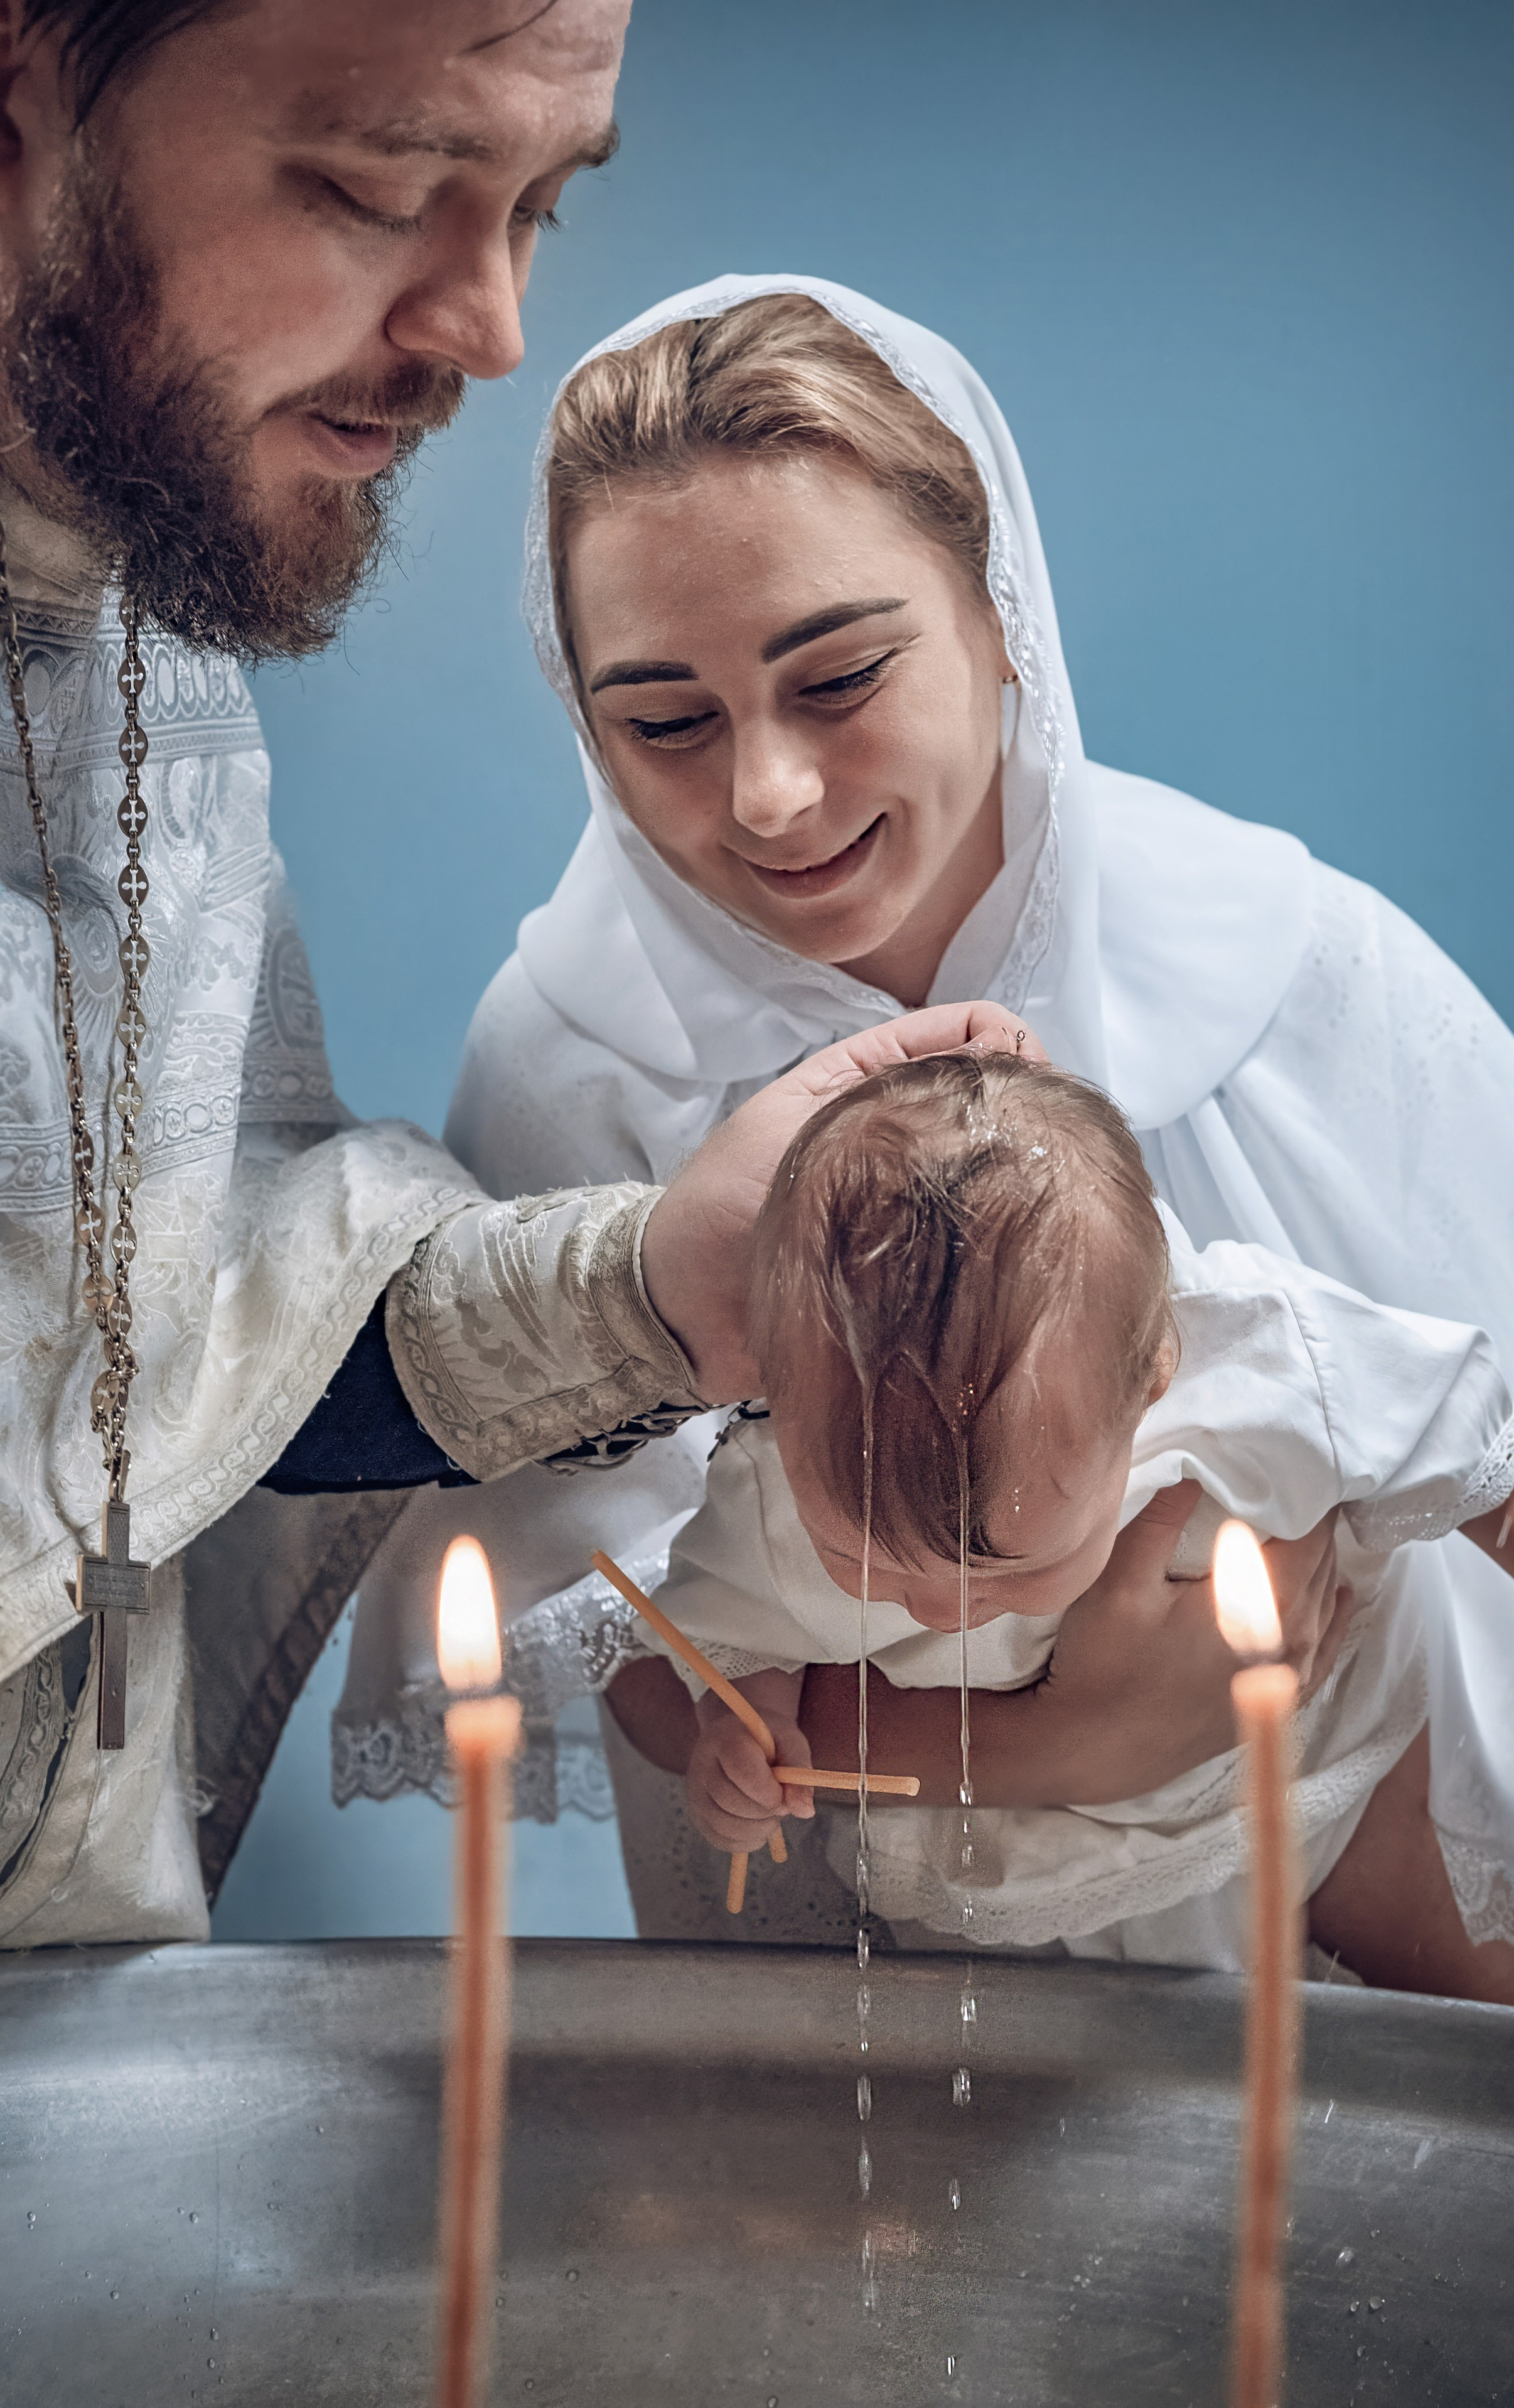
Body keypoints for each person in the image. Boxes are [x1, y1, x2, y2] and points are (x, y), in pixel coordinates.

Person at [344, 274, 1514, 1979]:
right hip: (879, 1982)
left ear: (1003, 608)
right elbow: (618, 1615)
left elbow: (1492, 1407)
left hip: (1317, 1894)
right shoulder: (577, 1073)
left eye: (842, 674)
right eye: (664, 722)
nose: (769, 794)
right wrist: (1057, 1740)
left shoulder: (1285, 967)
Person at [0, 4, 1023, 1950]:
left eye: (538, 205)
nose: (491, 328)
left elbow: (163, 1357)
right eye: (380, 188)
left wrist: (660, 1283)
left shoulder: (152, 656)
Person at [645, 1049, 1514, 2012]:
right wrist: (744, 1720)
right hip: (1031, 1842)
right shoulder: (772, 1483)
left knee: (1461, 1979)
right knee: (1108, 2052)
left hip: (1312, 1755)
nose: (940, 1603)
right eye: (862, 1560)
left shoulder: (1249, 1357)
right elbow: (733, 1624)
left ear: (1149, 1377)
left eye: (1010, 1566)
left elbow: (1445, 1409)